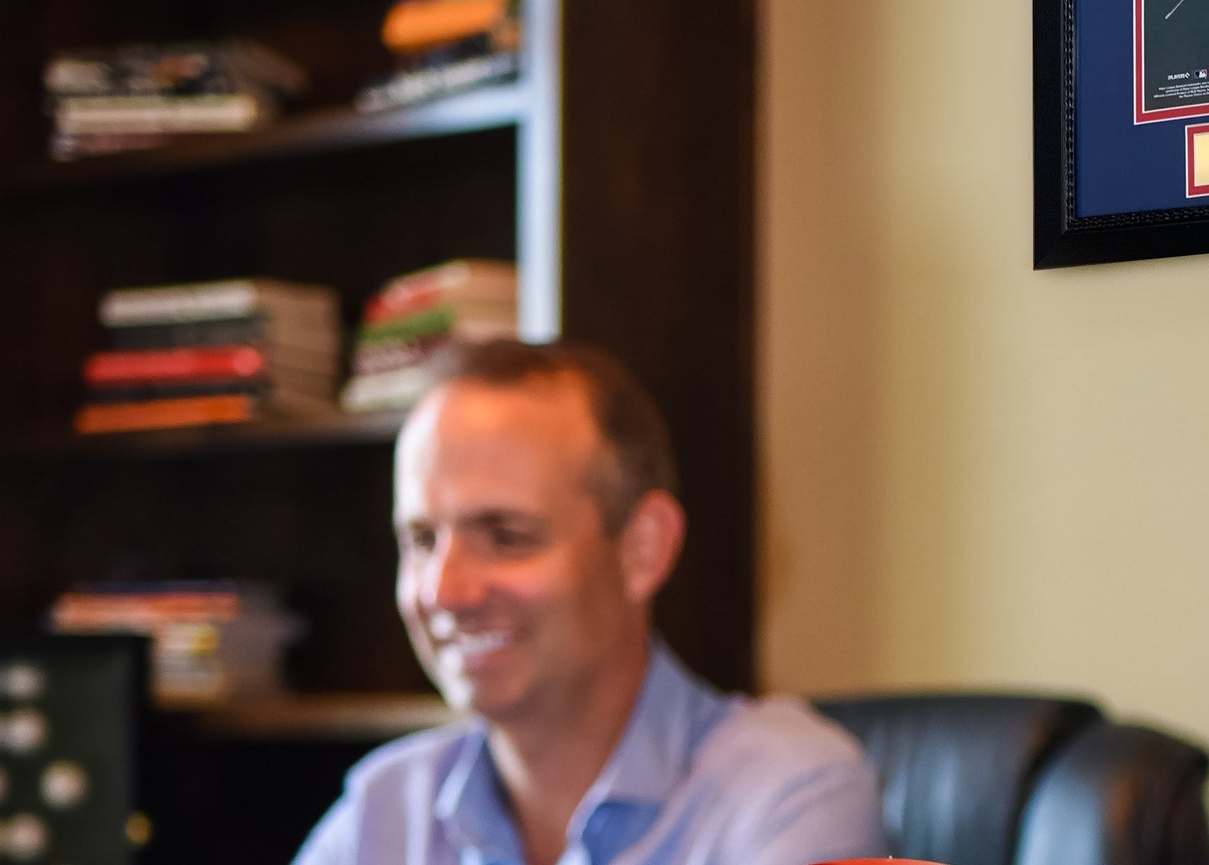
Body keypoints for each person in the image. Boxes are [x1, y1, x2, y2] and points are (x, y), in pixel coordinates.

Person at [293, 340, 886, 865]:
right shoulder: (386, 808)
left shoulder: (788, 793)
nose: (444, 592)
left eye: (506, 536)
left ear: (642, 550)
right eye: (422, 540)